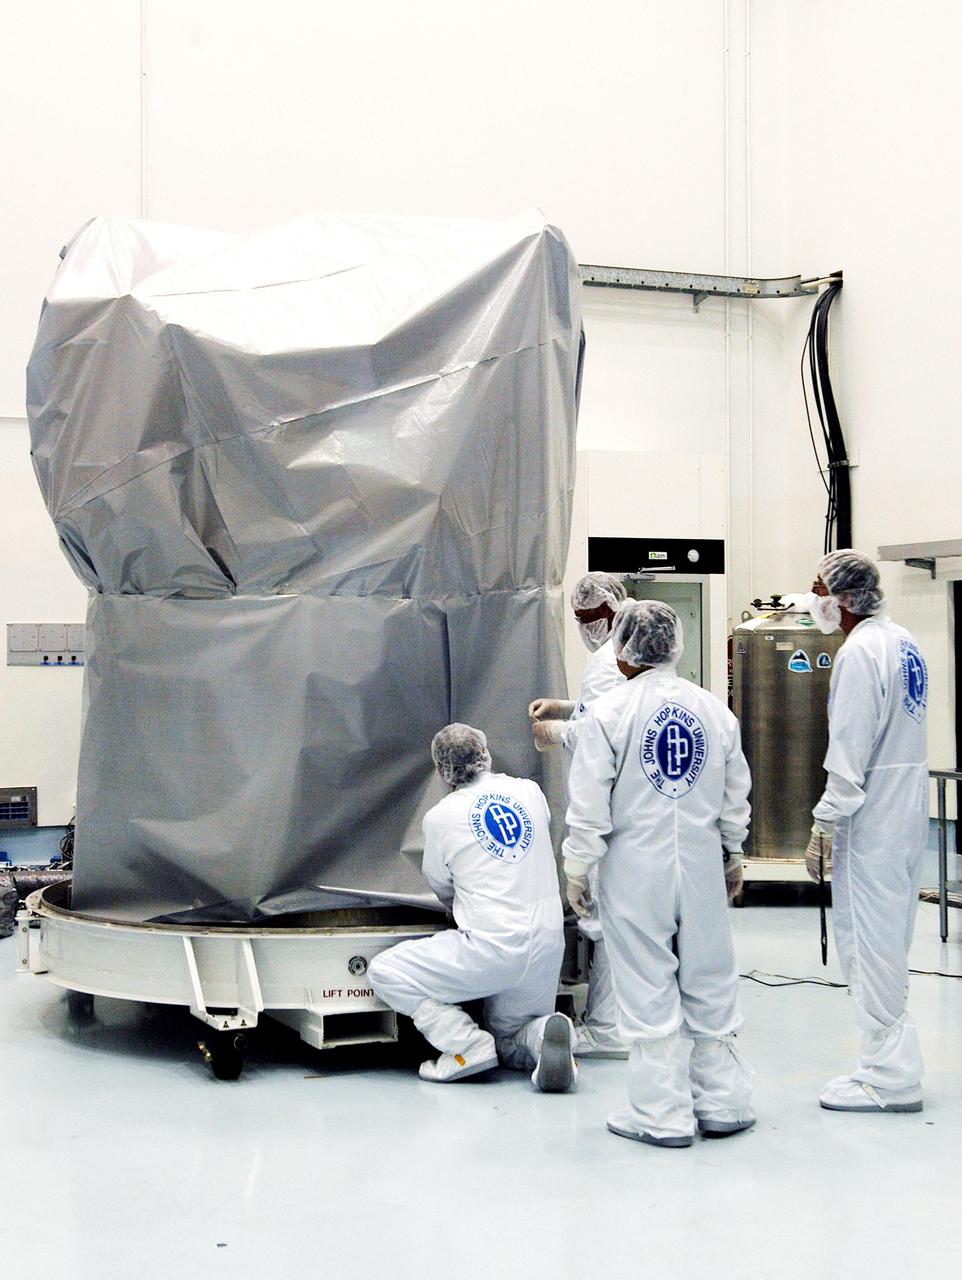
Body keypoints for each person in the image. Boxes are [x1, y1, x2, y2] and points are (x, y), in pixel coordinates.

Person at [563, 601, 754, 1147]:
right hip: (700, 866)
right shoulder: (714, 710)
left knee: (646, 983)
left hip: (635, 870)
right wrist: (734, 854)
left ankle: (662, 1115)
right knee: (709, 976)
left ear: (623, 651)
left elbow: (590, 800)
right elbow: (734, 791)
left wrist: (579, 864)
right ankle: (722, 1102)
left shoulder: (609, 713)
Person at [367, 724, 576, 1092]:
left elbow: (441, 885)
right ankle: (545, 1034)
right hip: (546, 943)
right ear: (486, 753)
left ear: (441, 770)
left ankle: (466, 1045)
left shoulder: (440, 818)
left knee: (387, 972)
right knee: (510, 1038)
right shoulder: (529, 792)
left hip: (491, 948)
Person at [806, 549, 929, 1113]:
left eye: (819, 589)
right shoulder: (904, 643)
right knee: (892, 936)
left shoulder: (859, 653)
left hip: (872, 818)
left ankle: (891, 1076)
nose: (813, 601)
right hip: (906, 813)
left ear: (844, 597)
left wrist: (825, 822)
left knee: (870, 941)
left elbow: (850, 750)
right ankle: (888, 1058)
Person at [528, 571, 628, 1059]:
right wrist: (567, 706)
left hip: (610, 810)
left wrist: (556, 731)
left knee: (609, 923)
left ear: (616, 610)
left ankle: (609, 1028)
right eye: (581, 620)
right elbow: (603, 713)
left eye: (596, 618)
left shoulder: (611, 662)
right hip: (629, 814)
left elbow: (599, 734)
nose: (589, 627)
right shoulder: (618, 660)